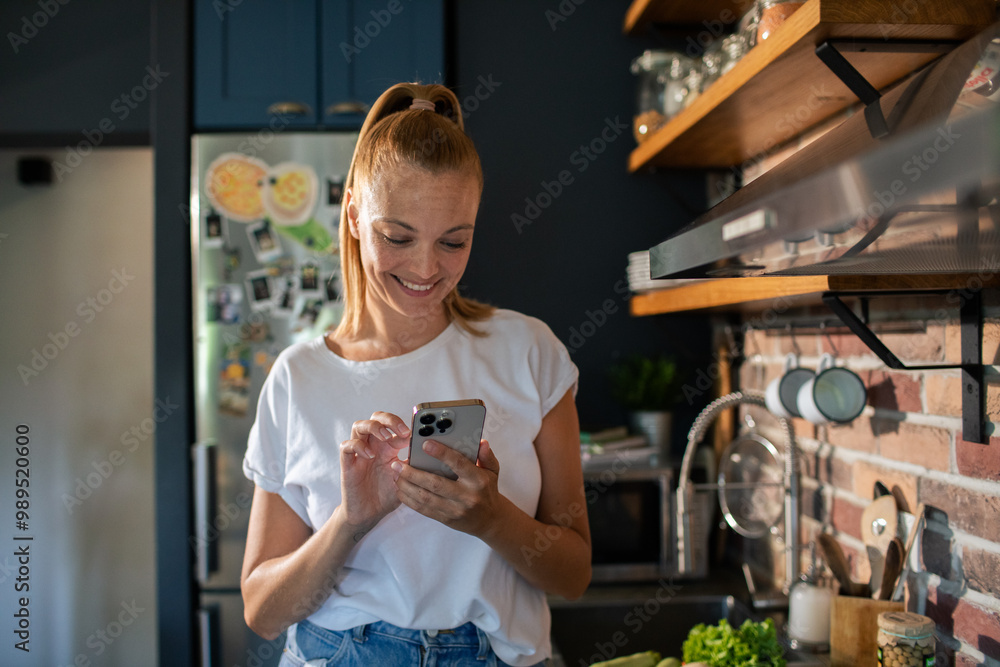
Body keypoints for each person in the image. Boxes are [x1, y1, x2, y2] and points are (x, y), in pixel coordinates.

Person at [240, 82, 591, 667]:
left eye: (454, 241)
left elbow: (574, 574)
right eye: (397, 237)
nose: (426, 269)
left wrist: (492, 519)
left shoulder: (529, 351)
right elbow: (263, 611)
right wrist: (349, 523)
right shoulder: (297, 378)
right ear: (354, 214)